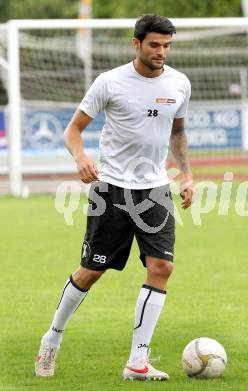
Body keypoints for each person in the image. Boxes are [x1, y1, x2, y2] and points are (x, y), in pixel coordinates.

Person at [35, 14, 193, 381]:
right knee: (92, 270)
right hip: (112, 190)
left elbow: (179, 131)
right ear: (136, 43)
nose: (161, 52)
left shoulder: (180, 83)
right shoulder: (110, 82)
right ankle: (52, 338)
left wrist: (186, 174)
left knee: (162, 267)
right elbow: (73, 130)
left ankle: (137, 361)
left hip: (154, 189)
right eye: (154, 44)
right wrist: (81, 158)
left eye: (167, 45)